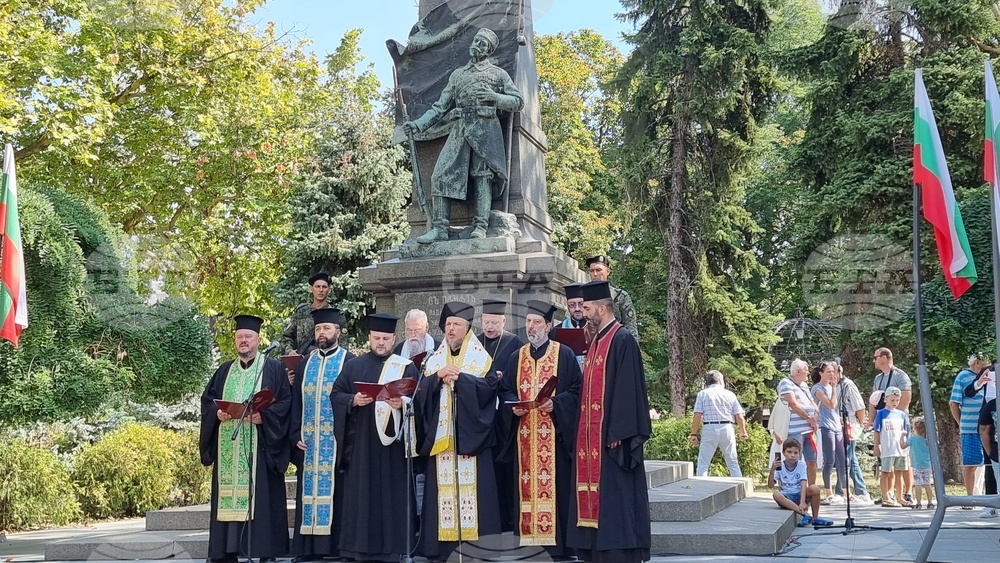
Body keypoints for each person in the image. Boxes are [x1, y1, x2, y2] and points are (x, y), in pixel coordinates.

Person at [403, 28, 524, 242]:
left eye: (482, 44)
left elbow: (518, 101)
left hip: (486, 130)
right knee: (440, 175)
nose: (477, 45)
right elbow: (440, 107)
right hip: (460, 129)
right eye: (476, 41)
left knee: (482, 176)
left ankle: (480, 226)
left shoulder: (498, 74)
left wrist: (495, 97)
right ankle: (440, 228)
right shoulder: (458, 74)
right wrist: (418, 125)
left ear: (488, 50)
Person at [566, 280, 651, 563]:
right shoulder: (598, 340)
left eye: (587, 308)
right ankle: (595, 547)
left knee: (615, 496)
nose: (583, 313)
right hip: (591, 439)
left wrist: (619, 431)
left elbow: (628, 389)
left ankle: (618, 550)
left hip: (612, 437)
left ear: (602, 308)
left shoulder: (621, 338)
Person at [412, 301, 501, 560]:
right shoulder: (434, 359)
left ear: (468, 328)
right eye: (448, 325)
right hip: (442, 443)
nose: (451, 330)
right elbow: (421, 395)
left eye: (456, 325)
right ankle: (441, 549)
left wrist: (462, 380)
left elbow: (488, 391)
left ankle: (477, 549)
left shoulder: (481, 359)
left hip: (469, 442)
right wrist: (438, 377)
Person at [199, 315, 291, 563]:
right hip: (230, 443)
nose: (243, 341)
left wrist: (265, 418)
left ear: (258, 340)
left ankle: (264, 551)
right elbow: (208, 401)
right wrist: (216, 413)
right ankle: (224, 552)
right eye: (240, 337)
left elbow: (285, 404)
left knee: (262, 498)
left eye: (248, 337)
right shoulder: (224, 370)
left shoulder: (271, 368)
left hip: (260, 447)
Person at [331, 313, 420, 561]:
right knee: (362, 495)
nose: (381, 342)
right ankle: (357, 549)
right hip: (361, 445)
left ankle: (395, 549)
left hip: (393, 448)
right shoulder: (354, 367)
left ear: (394, 339)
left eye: (386, 338)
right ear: (369, 337)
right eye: (377, 338)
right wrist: (353, 400)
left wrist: (402, 403)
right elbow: (336, 395)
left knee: (392, 495)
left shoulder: (405, 366)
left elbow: (418, 401)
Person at [501, 299, 582, 558]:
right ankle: (528, 544)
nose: (531, 327)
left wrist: (555, 404)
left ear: (548, 326)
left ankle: (558, 547)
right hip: (524, 436)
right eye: (528, 322)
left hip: (554, 439)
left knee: (557, 487)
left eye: (537, 322)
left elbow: (576, 391)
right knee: (523, 486)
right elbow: (505, 391)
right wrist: (513, 407)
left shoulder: (564, 354)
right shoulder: (517, 356)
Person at [288, 308, 355, 563]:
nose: (322, 333)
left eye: (327, 328)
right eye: (318, 329)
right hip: (308, 442)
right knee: (307, 493)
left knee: (337, 494)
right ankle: (306, 549)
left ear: (337, 332)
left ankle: (335, 548)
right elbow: (296, 403)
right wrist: (294, 434)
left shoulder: (348, 361)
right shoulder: (305, 363)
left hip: (335, 444)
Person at [476, 298, 523, 532]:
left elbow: (520, 376)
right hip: (481, 414)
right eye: (486, 322)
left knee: (506, 468)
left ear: (504, 321)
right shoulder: (474, 342)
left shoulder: (515, 343)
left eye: (494, 322)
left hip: (505, 417)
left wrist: (505, 378)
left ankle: (508, 519)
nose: (490, 327)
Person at [869, 347, 913, 503]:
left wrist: (892, 415)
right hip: (884, 426)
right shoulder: (878, 378)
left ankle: (907, 493)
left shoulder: (901, 376)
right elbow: (874, 400)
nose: (874, 361)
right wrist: (872, 419)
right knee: (887, 462)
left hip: (899, 424)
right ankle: (888, 494)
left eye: (875, 357)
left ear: (884, 357)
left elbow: (906, 399)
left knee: (903, 460)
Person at [689, 370, 748, 477]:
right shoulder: (730, 394)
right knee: (732, 462)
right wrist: (743, 431)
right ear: (720, 380)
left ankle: (701, 488)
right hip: (727, 427)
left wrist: (693, 433)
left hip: (709, 427)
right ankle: (740, 488)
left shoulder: (702, 394)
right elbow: (739, 415)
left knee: (703, 462)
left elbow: (697, 415)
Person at [768, 438, 833, 527]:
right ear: (783, 453)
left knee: (814, 488)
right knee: (776, 494)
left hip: (800, 494)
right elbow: (771, 485)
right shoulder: (780, 466)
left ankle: (815, 517)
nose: (792, 455)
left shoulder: (801, 464)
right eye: (789, 452)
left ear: (799, 454)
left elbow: (803, 483)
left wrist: (802, 501)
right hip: (787, 497)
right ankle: (805, 515)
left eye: (795, 453)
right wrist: (772, 470)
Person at [833, 363, 874, 504]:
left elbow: (860, 407)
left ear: (838, 372)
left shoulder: (848, 385)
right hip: (837, 427)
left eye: (832, 372)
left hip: (850, 426)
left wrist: (860, 425)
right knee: (848, 459)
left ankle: (846, 491)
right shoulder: (834, 386)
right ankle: (858, 490)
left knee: (846, 458)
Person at [963, 357, 999, 514]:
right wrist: (980, 383)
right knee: (990, 459)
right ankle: (991, 503)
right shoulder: (989, 371)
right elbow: (969, 391)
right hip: (990, 416)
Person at [779, 359, 819, 485]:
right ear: (798, 371)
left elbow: (812, 402)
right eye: (806, 370)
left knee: (812, 461)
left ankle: (811, 489)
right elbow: (793, 404)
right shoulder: (786, 383)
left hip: (809, 430)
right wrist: (808, 418)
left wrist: (815, 415)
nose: (808, 373)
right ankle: (793, 487)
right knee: (794, 459)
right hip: (795, 430)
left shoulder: (804, 385)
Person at [810, 361, 845, 505]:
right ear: (821, 373)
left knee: (843, 460)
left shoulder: (832, 387)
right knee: (829, 460)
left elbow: (836, 409)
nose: (832, 374)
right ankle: (828, 491)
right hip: (825, 426)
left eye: (833, 371)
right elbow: (831, 405)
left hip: (837, 426)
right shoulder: (817, 388)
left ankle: (846, 491)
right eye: (829, 372)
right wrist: (835, 389)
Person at [584, 255, 638, 341]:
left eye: (598, 270)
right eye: (591, 271)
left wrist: (632, 350)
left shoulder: (620, 297)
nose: (595, 274)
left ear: (608, 271)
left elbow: (631, 328)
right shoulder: (583, 297)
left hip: (615, 344)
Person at [281, 272, 334, 358]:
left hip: (326, 360)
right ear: (311, 289)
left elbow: (342, 343)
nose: (321, 290)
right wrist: (289, 351)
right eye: (317, 286)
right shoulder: (301, 311)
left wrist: (324, 351)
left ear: (329, 290)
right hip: (301, 359)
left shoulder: (334, 313)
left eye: (324, 287)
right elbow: (287, 336)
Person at [874, 386, 911, 507]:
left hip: (900, 449)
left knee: (899, 473)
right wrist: (876, 446)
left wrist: (906, 446)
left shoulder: (902, 415)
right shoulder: (881, 414)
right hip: (888, 448)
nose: (895, 403)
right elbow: (877, 431)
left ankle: (900, 497)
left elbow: (906, 431)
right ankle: (886, 497)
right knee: (886, 472)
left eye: (897, 400)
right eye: (892, 400)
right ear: (886, 399)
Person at [901, 416, 934, 509]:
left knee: (918, 483)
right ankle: (930, 502)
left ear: (914, 428)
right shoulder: (928, 440)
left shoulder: (912, 439)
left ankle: (919, 502)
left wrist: (902, 436)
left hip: (916, 464)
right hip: (927, 464)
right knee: (927, 483)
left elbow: (903, 446)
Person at [979, 394, 999, 518]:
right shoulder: (991, 406)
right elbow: (984, 431)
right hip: (997, 453)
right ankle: (991, 507)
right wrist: (991, 454)